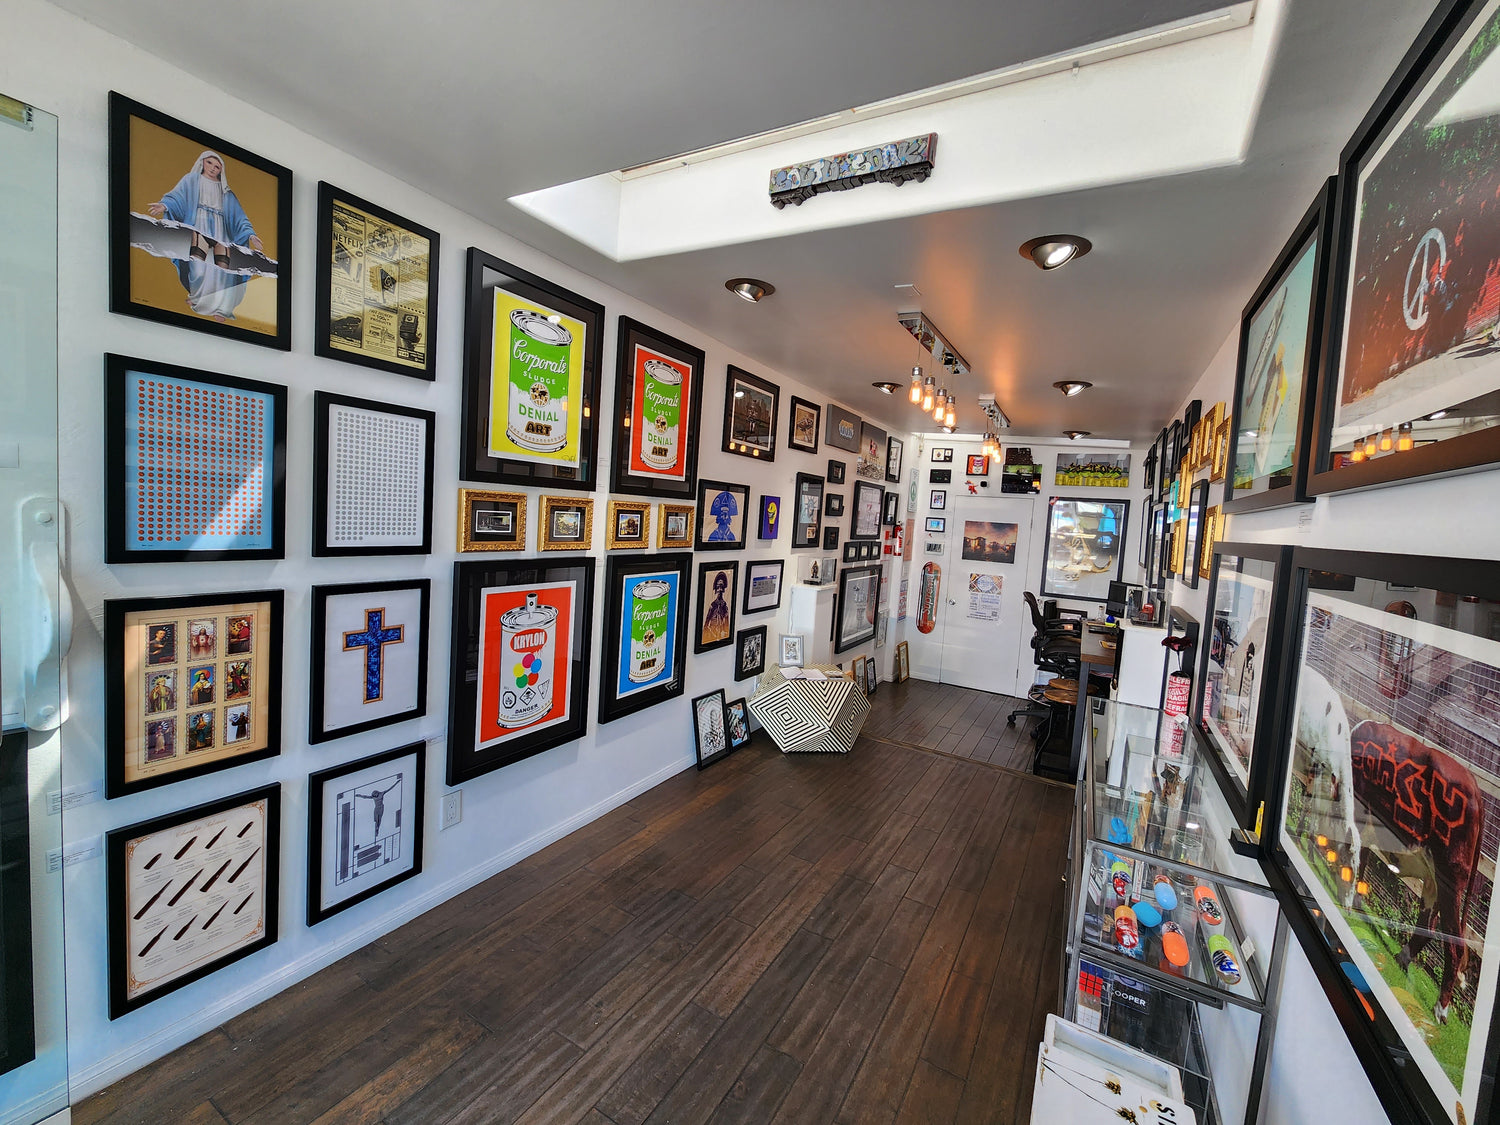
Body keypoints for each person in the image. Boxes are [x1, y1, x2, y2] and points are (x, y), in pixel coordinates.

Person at [146, 151, 264, 321]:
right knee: (199, 267)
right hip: (198, 226)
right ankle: (199, 298)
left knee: (221, 270)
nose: (213, 168)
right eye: (209, 163)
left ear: (221, 170)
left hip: (220, 232)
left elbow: (239, 217)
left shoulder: (226, 192)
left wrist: (250, 235)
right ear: (202, 162)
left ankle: (221, 308)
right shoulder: (191, 180)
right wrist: (165, 205)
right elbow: (177, 198)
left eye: (217, 166)